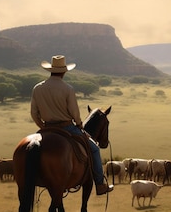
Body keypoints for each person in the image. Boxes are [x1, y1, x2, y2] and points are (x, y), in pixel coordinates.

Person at [30, 55, 113, 195]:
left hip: (47, 127)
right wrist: (80, 125)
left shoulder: (37, 88)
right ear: (64, 72)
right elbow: (74, 113)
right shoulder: (67, 88)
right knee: (94, 149)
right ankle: (100, 184)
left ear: (50, 70)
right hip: (66, 127)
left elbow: (34, 113)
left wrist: (43, 127)